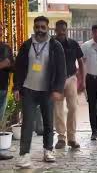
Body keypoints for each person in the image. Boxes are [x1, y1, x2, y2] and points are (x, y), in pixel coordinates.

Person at [14, 16, 66, 168]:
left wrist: (58, 89)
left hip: (47, 91)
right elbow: (19, 67)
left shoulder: (55, 46)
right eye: (37, 27)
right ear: (34, 28)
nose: (40, 30)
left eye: (43, 27)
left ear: (48, 28)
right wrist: (17, 87)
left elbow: (61, 70)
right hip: (29, 90)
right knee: (28, 123)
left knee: (49, 122)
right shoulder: (27, 45)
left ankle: (48, 150)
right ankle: (24, 155)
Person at [53, 20, 85, 149]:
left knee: (73, 107)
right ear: (55, 30)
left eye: (63, 29)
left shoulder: (73, 44)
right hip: (55, 81)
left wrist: (82, 80)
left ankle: (72, 138)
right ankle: (61, 138)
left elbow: (81, 62)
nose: (61, 32)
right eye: (59, 29)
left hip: (71, 78)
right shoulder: (51, 44)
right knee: (58, 110)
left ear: (66, 30)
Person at [0, 22, 14, 161]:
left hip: (3, 89)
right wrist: (2, 64)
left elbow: (12, 65)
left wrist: (8, 65)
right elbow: (5, 64)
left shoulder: (6, 47)